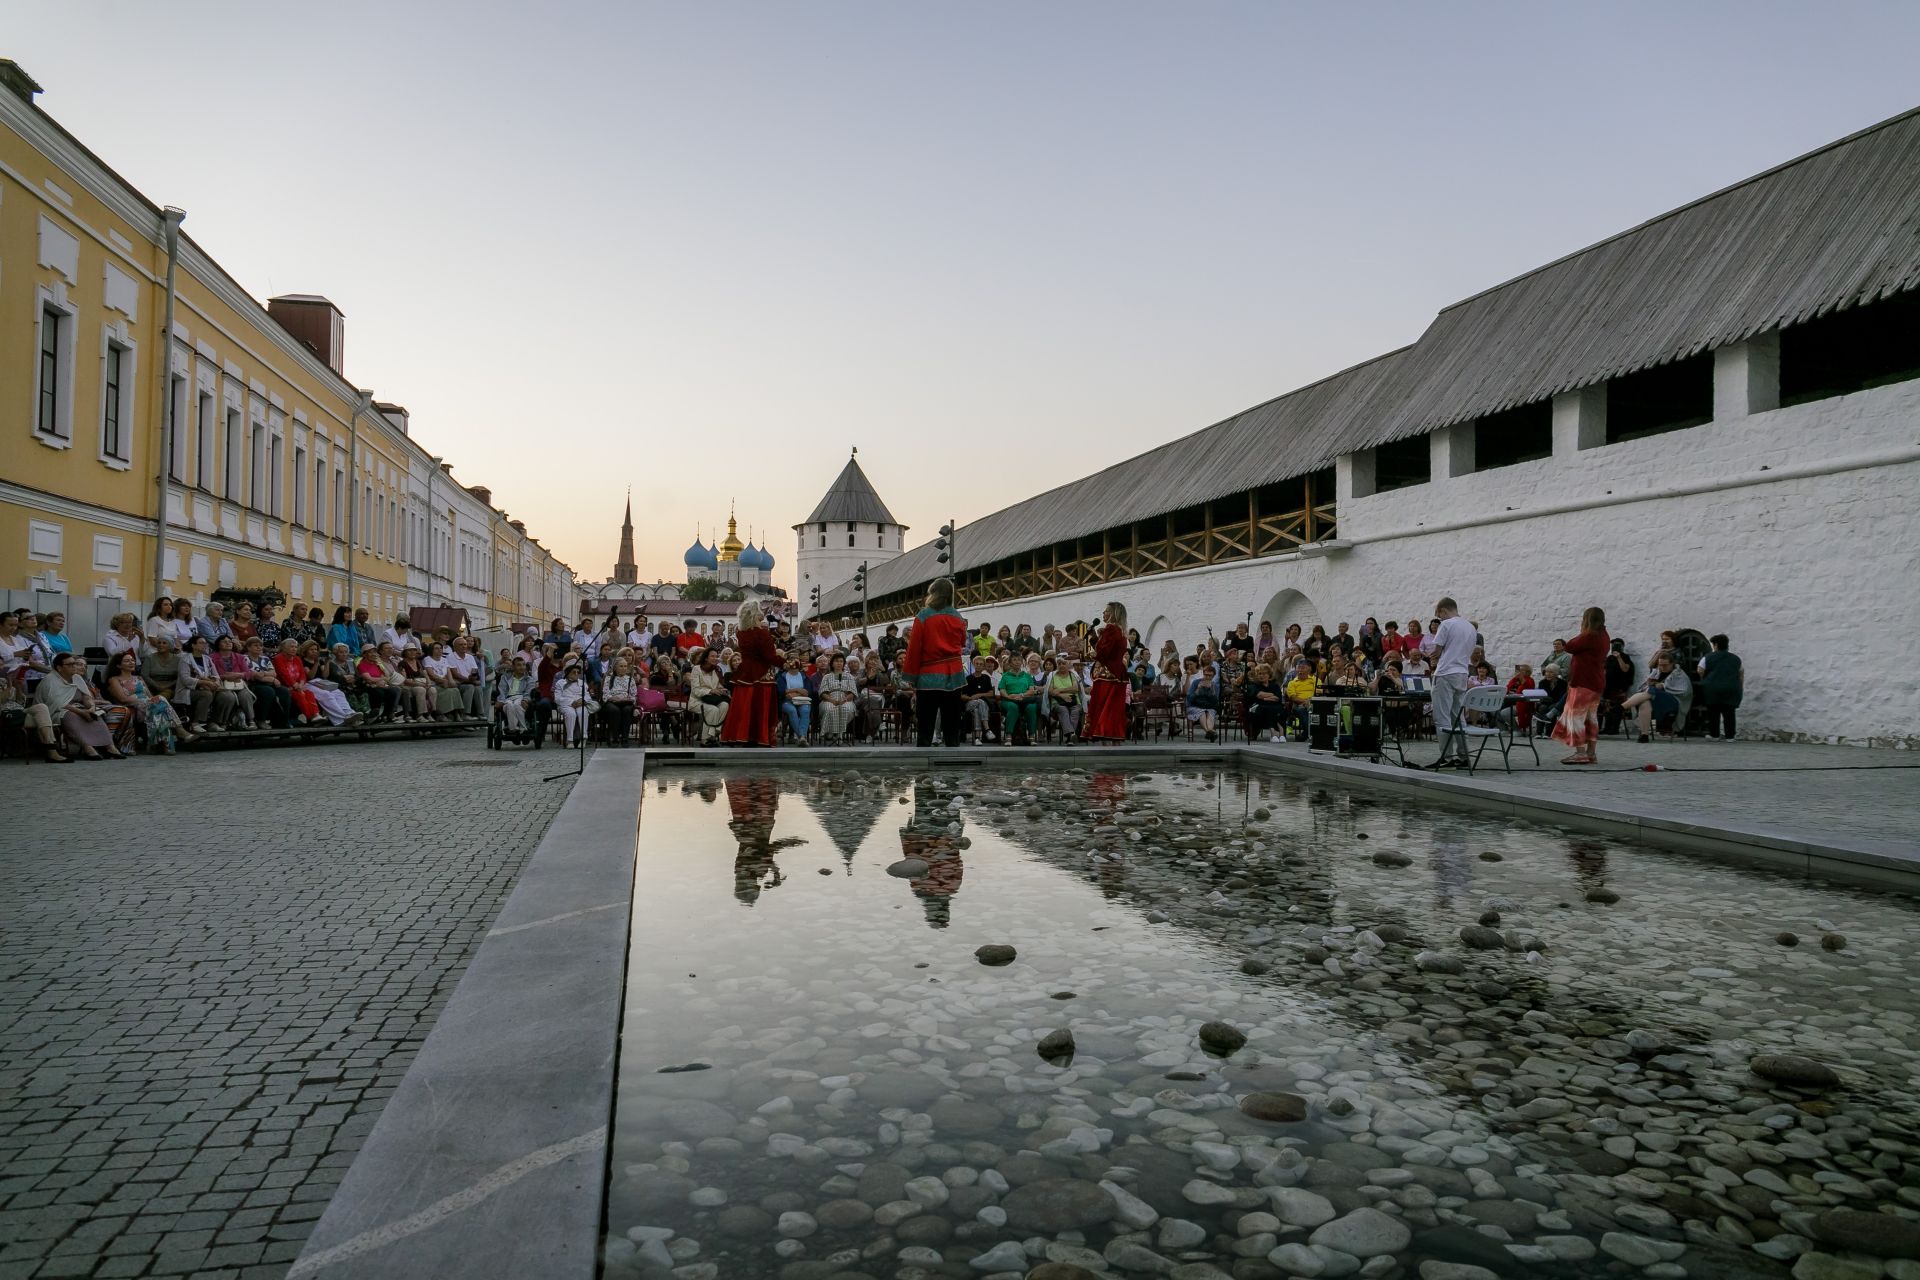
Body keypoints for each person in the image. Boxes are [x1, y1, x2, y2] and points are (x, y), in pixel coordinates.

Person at [903, 579, 968, 748]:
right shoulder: (957, 616)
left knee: (925, 724)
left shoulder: (924, 616)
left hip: (928, 676)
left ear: (933, 593)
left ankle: (923, 768)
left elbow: (914, 648)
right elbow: (962, 642)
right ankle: (953, 768)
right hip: (953, 674)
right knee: (952, 723)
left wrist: (911, 675)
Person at [35, 653, 124, 760]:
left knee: (96, 715)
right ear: (59, 667)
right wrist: (81, 712)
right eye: (70, 664)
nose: (74, 666)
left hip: (78, 707)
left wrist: (91, 707)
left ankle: (110, 747)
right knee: (71, 716)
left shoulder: (77, 678)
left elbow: (86, 696)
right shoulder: (50, 680)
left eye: (75, 664)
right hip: (56, 711)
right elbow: (57, 704)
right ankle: (88, 748)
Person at [1551, 606, 1611, 765]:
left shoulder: (1589, 636)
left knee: (1576, 716)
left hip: (1584, 682)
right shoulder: (1604, 635)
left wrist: (1584, 630)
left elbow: (1569, 646)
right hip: (1596, 682)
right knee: (1591, 718)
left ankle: (1580, 753)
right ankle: (1591, 753)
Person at [107, 650, 191, 753]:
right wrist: (143, 700)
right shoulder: (114, 679)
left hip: (148, 707)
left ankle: (159, 745)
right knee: (161, 700)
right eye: (127, 661)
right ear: (119, 665)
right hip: (134, 707)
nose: (131, 662)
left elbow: (150, 696)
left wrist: (150, 700)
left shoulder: (139, 678)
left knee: (159, 708)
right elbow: (123, 698)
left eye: (132, 660)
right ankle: (176, 733)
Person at [721, 602, 779, 747]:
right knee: (760, 707)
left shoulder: (741, 633)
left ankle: (740, 736)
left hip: (744, 672)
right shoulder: (762, 633)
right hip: (761, 673)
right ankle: (758, 737)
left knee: (743, 706)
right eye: (760, 611)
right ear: (755, 614)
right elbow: (769, 656)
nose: (763, 613)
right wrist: (787, 663)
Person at [1428, 597, 1477, 767]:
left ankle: (1446, 757)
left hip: (1445, 673)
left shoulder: (1446, 624)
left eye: (1438, 614)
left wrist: (1431, 656)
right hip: (1462, 673)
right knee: (1458, 716)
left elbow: (1437, 651)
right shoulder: (1470, 627)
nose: (1439, 618)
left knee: (1442, 717)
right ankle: (1464, 757)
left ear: (1443, 610)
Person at [1083, 601, 1130, 743]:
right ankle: (1114, 738)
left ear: (1113, 614)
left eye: (1106, 611)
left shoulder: (1111, 629)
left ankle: (1104, 738)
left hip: (1107, 673)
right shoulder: (1120, 630)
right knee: (1113, 709)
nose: (1103, 613)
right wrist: (1095, 640)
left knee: (1102, 706)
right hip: (1118, 672)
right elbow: (1106, 648)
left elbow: (1104, 652)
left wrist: (1094, 655)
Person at [1623, 650, 1693, 743]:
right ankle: (1644, 735)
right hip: (1655, 700)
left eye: (1665, 665)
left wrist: (1664, 686)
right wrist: (1649, 684)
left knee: (1653, 691)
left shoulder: (1679, 674)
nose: (1662, 667)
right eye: (1660, 664)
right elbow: (1643, 687)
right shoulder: (1656, 672)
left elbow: (1684, 691)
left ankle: (1621, 707)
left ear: (1672, 664)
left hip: (1673, 702)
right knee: (1645, 702)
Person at [176, 634, 237, 731]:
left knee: (228, 696)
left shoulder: (207, 659)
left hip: (209, 687)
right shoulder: (185, 659)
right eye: (201, 643)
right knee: (206, 695)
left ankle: (215, 722)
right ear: (193, 645)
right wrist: (205, 683)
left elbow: (216, 675)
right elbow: (186, 679)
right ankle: (196, 723)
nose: (204, 645)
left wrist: (215, 682)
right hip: (189, 690)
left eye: (205, 643)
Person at [1698, 634, 1743, 741]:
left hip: (1712, 688)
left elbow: (1700, 670)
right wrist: (1739, 687)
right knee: (1729, 713)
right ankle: (1730, 736)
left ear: (1716, 645)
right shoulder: (1736, 658)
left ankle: (1715, 735)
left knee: (1713, 712)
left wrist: (1706, 679)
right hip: (1731, 688)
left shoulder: (1708, 657)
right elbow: (1741, 673)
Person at [241, 637, 293, 727]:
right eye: (255, 645)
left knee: (284, 691)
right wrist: (271, 679)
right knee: (268, 691)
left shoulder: (265, 658)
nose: (259, 648)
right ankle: (261, 720)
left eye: (260, 646)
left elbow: (273, 673)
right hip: (252, 684)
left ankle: (283, 721)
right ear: (248, 647)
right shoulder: (244, 658)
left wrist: (264, 674)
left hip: (268, 683)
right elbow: (253, 675)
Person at [209, 635, 259, 728]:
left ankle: (251, 721)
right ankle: (221, 722)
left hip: (238, 684)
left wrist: (239, 675)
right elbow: (210, 674)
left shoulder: (239, 657)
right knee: (228, 696)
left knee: (245, 695)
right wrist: (224, 677)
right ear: (218, 644)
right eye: (224, 641)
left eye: (230, 641)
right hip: (221, 685)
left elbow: (248, 673)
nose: (228, 643)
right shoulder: (211, 657)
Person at [995, 654, 1039, 745]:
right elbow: (1002, 690)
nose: (1017, 662)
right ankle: (1009, 736)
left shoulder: (1027, 676)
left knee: (1032, 707)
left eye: (1019, 660)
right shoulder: (1005, 676)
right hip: (1009, 700)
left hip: (1024, 699)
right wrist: (1009, 696)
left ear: (1022, 662)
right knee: (1013, 707)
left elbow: (1031, 691)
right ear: (1010, 663)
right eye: (1014, 660)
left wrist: (1021, 695)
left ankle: (1032, 736)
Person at [687, 648, 728, 745]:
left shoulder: (716, 670)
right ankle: (705, 739)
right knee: (713, 709)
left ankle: (714, 733)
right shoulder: (696, 669)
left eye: (716, 656)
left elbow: (718, 686)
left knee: (725, 705)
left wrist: (722, 690)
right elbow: (695, 690)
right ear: (706, 658)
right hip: (697, 701)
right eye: (712, 656)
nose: (715, 658)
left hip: (711, 700)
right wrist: (710, 691)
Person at [554, 658, 597, 747]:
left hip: (580, 704)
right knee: (571, 713)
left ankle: (583, 738)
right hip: (566, 705)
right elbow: (557, 699)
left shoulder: (582, 683)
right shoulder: (560, 683)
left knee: (583, 712)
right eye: (574, 672)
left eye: (578, 672)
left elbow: (588, 696)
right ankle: (570, 740)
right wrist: (572, 702)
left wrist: (583, 701)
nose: (577, 674)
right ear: (567, 672)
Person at [494, 656, 537, 738]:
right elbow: (501, 690)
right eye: (519, 665)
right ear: (513, 667)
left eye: (523, 665)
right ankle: (517, 728)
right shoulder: (505, 677)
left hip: (521, 697)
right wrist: (501, 701)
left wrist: (525, 700)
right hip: (508, 698)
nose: (522, 667)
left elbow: (529, 692)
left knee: (517, 704)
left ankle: (516, 728)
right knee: (509, 705)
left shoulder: (529, 679)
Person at [602, 655, 639, 745]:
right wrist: (612, 698)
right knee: (615, 710)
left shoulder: (630, 679)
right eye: (621, 666)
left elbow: (634, 695)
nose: (623, 668)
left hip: (625, 701)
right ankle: (615, 737)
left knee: (627, 710)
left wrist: (627, 698)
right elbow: (605, 695)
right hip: (612, 702)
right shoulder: (608, 678)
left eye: (625, 666)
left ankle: (625, 738)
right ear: (615, 667)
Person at [1245, 662, 1286, 741]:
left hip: (1273, 706)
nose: (1262, 676)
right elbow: (1259, 695)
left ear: (1269, 675)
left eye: (1264, 674)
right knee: (1268, 709)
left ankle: (1280, 733)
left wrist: (1265, 698)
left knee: (1280, 710)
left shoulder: (1274, 685)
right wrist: (1271, 695)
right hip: (1257, 707)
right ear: (1256, 675)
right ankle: (1275, 733)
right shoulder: (1254, 685)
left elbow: (1278, 698)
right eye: (1259, 674)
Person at [777, 656, 814, 744]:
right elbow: (782, 691)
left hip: (803, 700)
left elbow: (808, 692)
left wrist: (793, 692)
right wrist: (798, 690)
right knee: (792, 710)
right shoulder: (782, 676)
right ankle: (802, 736)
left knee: (805, 710)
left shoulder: (804, 676)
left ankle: (801, 737)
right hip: (787, 701)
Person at [1046, 655, 1083, 742]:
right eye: (1059, 664)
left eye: (1064, 663)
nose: (1061, 665)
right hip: (1058, 702)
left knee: (1076, 710)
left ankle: (1070, 736)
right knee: (1063, 710)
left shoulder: (1072, 675)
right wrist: (1062, 696)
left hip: (1073, 701)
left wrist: (1059, 690)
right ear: (1057, 665)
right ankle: (1071, 735)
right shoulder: (1052, 676)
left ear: (1068, 665)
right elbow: (1051, 691)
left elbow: (1075, 689)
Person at [1282, 658, 1319, 740]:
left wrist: (1310, 701)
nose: (1300, 670)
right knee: (1302, 710)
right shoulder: (1292, 683)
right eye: (1298, 668)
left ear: (1309, 669)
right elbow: (1293, 697)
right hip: (1298, 705)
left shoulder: (1315, 680)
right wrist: (1305, 701)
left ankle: (1305, 734)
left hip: (1314, 703)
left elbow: (1319, 693)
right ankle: (1311, 733)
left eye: (1303, 668)